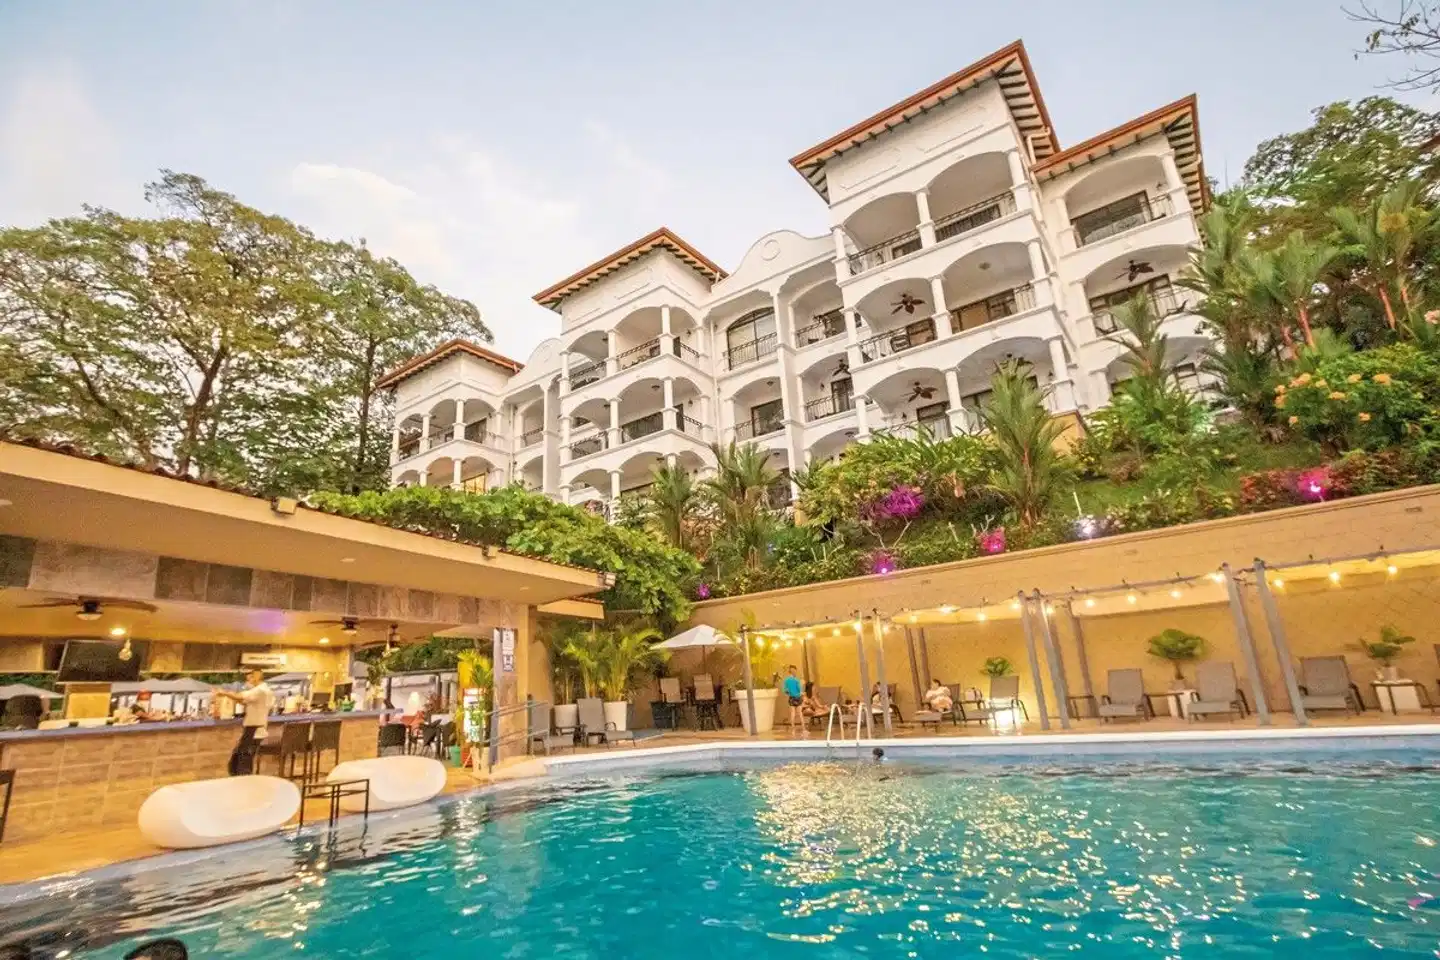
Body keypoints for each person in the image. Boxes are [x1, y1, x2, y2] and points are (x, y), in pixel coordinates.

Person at [216, 668, 275, 776]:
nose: (248, 678)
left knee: (243, 760)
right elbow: (244, 701)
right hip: (256, 728)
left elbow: (240, 696)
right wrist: (230, 696)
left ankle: (244, 782)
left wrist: (224, 693)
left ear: (257, 675)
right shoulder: (266, 691)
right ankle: (241, 780)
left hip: (254, 729)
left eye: (250, 675)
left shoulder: (260, 691)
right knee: (239, 758)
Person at [782, 665, 803, 737]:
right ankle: (804, 729)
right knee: (800, 713)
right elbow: (800, 691)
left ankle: (793, 729)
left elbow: (785, 690)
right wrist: (800, 694)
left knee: (792, 713)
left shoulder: (786, 680)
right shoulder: (797, 680)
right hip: (798, 697)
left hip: (791, 698)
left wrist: (790, 693)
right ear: (795, 671)